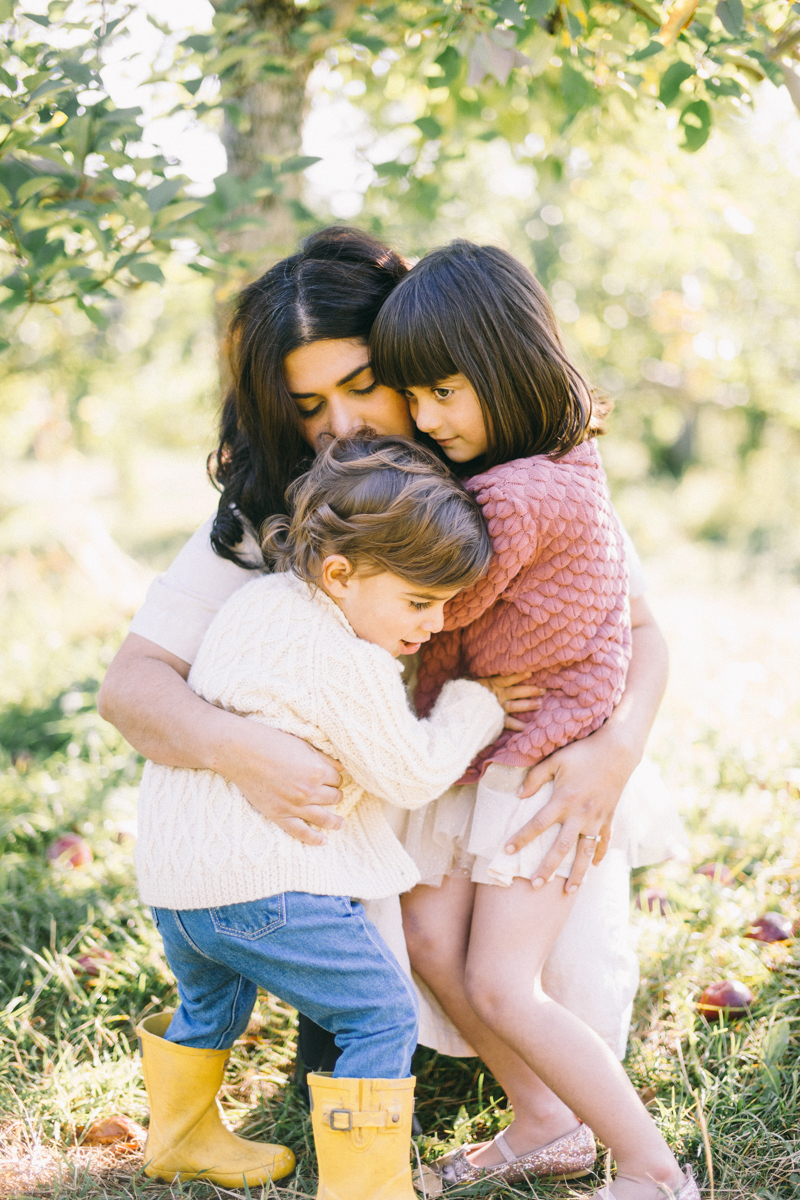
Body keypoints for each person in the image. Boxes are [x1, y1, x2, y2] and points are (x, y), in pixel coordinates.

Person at [97, 227, 668, 1145]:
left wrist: (619, 747)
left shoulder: (511, 471)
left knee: (550, 991)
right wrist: (243, 751)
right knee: (410, 976)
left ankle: (546, 1097)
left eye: (363, 385)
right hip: (367, 796)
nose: (342, 424)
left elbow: (638, 628)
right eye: (309, 402)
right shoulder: (289, 511)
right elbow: (131, 687)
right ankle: (368, 1031)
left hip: (522, 768)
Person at [369, 239, 693, 1199]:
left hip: (539, 763)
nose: (426, 419)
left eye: (442, 392)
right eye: (412, 398)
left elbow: (441, 606)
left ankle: (652, 1166)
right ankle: (545, 1120)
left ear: (506, 364)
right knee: (432, 941)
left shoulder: (516, 494)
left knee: (508, 981)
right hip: (489, 752)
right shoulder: (550, 460)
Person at [135, 432, 521, 1194]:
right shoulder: (344, 660)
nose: (435, 624)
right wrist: (478, 706)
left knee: (210, 1003)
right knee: (380, 1013)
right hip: (263, 890)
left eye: (444, 604)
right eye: (420, 601)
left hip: (178, 889)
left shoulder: (260, 601)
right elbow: (412, 775)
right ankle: (365, 1186)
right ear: (341, 573)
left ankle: (178, 1137)